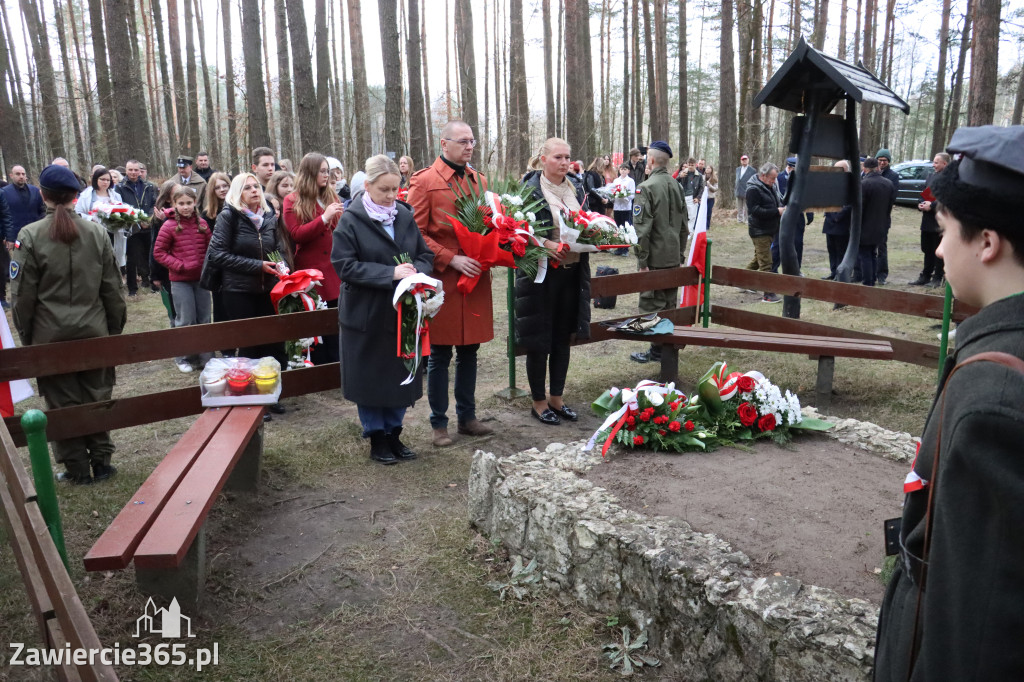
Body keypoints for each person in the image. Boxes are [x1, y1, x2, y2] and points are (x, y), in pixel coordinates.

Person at [874, 125, 1024, 682]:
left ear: (987, 242)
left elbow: (980, 622)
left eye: (944, 231)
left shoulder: (995, 401)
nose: (938, 248)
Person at [9, 165, 126, 484]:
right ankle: (101, 462)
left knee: (61, 401)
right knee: (96, 393)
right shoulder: (96, 231)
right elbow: (113, 289)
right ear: (77, 195)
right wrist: (113, 331)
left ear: (43, 195)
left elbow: (22, 298)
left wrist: (28, 336)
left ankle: (76, 467)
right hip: (94, 330)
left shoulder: (29, 236)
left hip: (50, 335)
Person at [331, 154, 435, 464]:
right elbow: (344, 266)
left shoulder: (403, 215)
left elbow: (424, 254)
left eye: (395, 190)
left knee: (399, 372)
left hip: (403, 313)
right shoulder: (351, 219)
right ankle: (376, 436)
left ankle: (395, 433)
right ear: (368, 186)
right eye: (384, 190)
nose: (391, 197)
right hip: (367, 314)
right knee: (371, 376)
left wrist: (415, 270)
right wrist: (388, 274)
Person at [408, 120, 495, 446]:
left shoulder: (480, 180)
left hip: (474, 279)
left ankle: (468, 418)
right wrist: (449, 257)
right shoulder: (425, 182)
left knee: (470, 352)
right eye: (462, 141)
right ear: (444, 144)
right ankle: (439, 424)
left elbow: (489, 225)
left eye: (472, 140)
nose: (469, 146)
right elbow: (414, 233)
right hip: (443, 281)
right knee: (441, 355)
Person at [515, 137, 591, 425]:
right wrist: (547, 245)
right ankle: (538, 402)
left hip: (572, 274)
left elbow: (586, 223)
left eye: (567, 157)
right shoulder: (529, 189)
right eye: (558, 157)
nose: (564, 162)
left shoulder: (577, 186)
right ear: (543, 158)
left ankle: (557, 399)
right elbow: (518, 230)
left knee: (562, 338)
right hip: (540, 276)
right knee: (540, 339)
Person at [206, 172, 288, 411]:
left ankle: (270, 394)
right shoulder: (228, 216)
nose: (254, 190)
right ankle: (249, 397)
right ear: (237, 193)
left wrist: (282, 266)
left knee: (272, 344)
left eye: (256, 186)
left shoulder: (269, 216)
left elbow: (277, 248)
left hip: (267, 289)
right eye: (247, 188)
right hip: (238, 291)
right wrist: (256, 266)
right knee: (249, 345)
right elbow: (217, 255)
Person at [629, 141, 688, 364]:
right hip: (673, 256)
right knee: (669, 303)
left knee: (652, 304)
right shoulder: (677, 186)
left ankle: (656, 351)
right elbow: (684, 226)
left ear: (650, 160)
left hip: (655, 258)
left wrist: (642, 261)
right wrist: (680, 256)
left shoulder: (646, 188)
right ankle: (663, 349)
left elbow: (641, 231)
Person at [281, 153, 343, 365]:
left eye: (329, 171)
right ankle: (318, 365)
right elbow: (297, 234)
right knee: (315, 319)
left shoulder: (331, 195)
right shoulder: (292, 200)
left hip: (334, 268)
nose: (327, 175)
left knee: (335, 319)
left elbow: (340, 229)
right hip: (311, 271)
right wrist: (324, 217)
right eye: (323, 171)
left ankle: (337, 364)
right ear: (310, 173)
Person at [153, 185, 212, 373]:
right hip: (180, 281)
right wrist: (179, 265)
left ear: (195, 203)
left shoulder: (202, 224)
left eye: (189, 203)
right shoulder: (169, 226)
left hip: (201, 280)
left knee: (204, 318)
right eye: (181, 203)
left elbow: (211, 248)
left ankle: (206, 356)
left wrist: (207, 268)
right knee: (185, 319)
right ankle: (183, 357)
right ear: (174, 204)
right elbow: (159, 252)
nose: (185, 207)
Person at [1, 165, 45, 309]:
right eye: (18, 174)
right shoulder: (5, 193)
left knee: (38, 264)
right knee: (18, 267)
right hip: (15, 236)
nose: (21, 176)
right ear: (11, 175)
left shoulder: (35, 191)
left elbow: (42, 210)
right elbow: (5, 216)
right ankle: (19, 296)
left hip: (36, 234)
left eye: (23, 173)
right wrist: (8, 237)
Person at [909, 153, 951, 288]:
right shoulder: (931, 177)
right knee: (926, 249)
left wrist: (932, 206)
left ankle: (937, 277)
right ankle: (925, 275)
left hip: (940, 221)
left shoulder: (950, 180)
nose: (934, 165)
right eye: (933, 162)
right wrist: (920, 203)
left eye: (937, 162)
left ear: (945, 163)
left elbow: (947, 201)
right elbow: (924, 194)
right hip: (927, 221)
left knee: (937, 249)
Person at [117, 159, 159, 296]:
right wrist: (136, 220)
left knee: (152, 255)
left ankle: (154, 284)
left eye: (136, 170)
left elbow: (155, 204)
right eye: (131, 170)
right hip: (132, 228)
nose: (134, 173)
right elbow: (119, 207)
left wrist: (148, 219)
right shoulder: (119, 187)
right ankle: (132, 289)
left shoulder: (149, 186)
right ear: (126, 170)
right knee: (132, 259)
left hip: (148, 226)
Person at [745, 162, 784, 302]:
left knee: (758, 259)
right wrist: (776, 212)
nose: (774, 182)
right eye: (772, 178)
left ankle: (743, 281)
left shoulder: (769, 187)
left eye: (775, 179)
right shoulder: (753, 190)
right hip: (759, 230)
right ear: (763, 176)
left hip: (769, 229)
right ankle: (768, 295)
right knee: (766, 263)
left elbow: (775, 201)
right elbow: (754, 211)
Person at [76, 167, 126, 270]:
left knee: (112, 258)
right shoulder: (86, 196)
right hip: (94, 232)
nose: (105, 182)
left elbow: (122, 210)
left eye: (108, 180)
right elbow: (78, 213)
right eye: (102, 179)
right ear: (95, 180)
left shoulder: (115, 195)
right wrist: (92, 218)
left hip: (113, 232)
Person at [201, 172, 232, 328]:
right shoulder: (207, 215)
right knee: (220, 307)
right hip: (219, 268)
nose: (222, 190)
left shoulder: (239, 210)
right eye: (217, 187)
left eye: (225, 185)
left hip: (237, 263)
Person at [858, 157, 893, 287]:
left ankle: (868, 282)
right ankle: (871, 279)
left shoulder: (864, 184)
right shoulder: (888, 183)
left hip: (866, 226)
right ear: (877, 167)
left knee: (866, 254)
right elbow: (889, 206)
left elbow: (860, 208)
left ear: (865, 168)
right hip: (882, 224)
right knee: (873, 253)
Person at [821, 160, 852, 281]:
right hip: (830, 222)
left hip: (842, 222)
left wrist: (838, 215)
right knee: (831, 249)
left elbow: (850, 204)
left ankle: (840, 274)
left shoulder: (851, 183)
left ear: (844, 170)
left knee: (841, 250)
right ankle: (833, 272)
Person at [874, 148, 900, 285]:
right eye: (880, 160)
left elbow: (893, 196)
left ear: (888, 161)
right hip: (870, 217)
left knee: (881, 246)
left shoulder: (893, 176)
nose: (882, 163)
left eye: (884, 160)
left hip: (883, 216)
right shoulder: (871, 173)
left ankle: (882, 274)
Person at [611, 163, 636, 255]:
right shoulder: (616, 180)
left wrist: (624, 197)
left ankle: (625, 248)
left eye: (625, 169)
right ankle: (619, 247)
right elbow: (612, 191)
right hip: (617, 207)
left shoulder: (630, 181)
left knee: (626, 227)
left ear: (628, 171)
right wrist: (613, 196)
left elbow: (632, 194)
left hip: (626, 207)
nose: (623, 171)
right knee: (618, 227)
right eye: (621, 169)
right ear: (619, 170)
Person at [677, 157, 705, 234]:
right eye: (689, 165)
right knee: (682, 216)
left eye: (692, 165)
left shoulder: (699, 175)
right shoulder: (683, 173)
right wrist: (680, 177)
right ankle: (681, 231)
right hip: (682, 198)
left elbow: (701, 187)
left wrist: (698, 197)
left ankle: (689, 232)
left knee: (692, 216)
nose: (690, 166)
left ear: (695, 165)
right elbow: (675, 182)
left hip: (692, 198)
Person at [735, 154, 757, 222]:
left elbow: (754, 181)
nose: (744, 161)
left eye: (745, 159)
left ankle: (747, 219)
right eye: (743, 160)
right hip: (738, 190)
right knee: (739, 207)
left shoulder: (752, 170)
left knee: (747, 207)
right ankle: (740, 219)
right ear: (741, 161)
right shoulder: (738, 169)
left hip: (747, 190)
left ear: (748, 160)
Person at [704, 165, 719, 229]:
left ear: (711, 170)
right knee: (703, 212)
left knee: (708, 212)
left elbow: (716, 189)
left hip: (710, 198)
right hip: (703, 198)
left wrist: (709, 185)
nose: (707, 169)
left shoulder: (714, 179)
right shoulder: (702, 177)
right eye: (706, 168)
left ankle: (707, 226)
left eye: (709, 168)